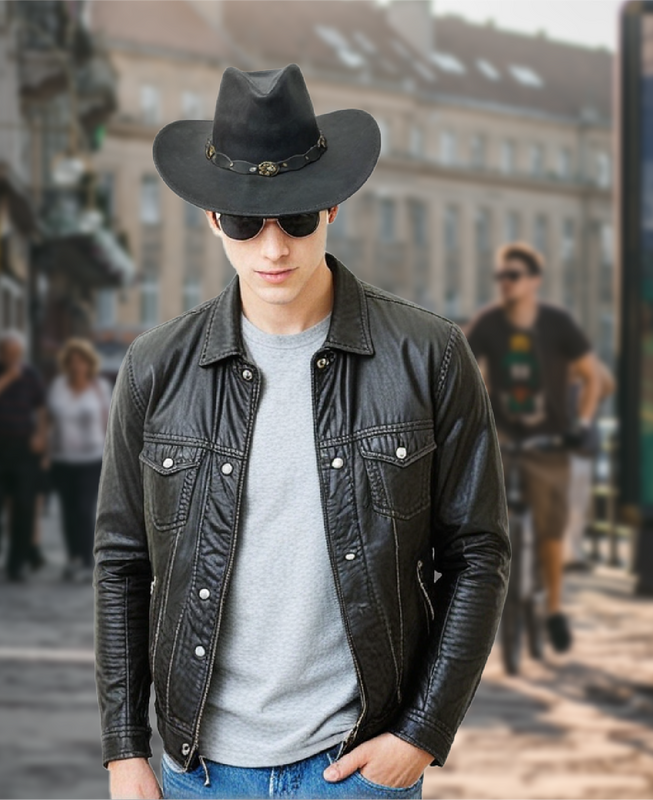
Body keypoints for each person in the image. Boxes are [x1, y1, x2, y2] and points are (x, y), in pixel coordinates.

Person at [94, 64, 510, 800]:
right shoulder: (157, 367)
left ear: (333, 208)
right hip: (199, 774)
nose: (274, 247)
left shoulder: (428, 355)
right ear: (214, 218)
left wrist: (422, 734)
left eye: (298, 216)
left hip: (355, 769)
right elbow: (122, 563)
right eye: (248, 222)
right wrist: (124, 750)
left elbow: (477, 555)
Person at [464, 242, 602, 653]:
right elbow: (461, 372)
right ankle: (487, 616)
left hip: (550, 443)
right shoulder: (488, 324)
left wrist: (583, 423)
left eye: (514, 277)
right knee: (484, 533)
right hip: (501, 444)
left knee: (550, 532)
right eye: (501, 277)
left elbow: (591, 378)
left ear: (533, 281)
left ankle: (555, 609)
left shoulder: (558, 325)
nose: (506, 284)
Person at [0, 330, 47, 582]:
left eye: (17, 354)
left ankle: (17, 563)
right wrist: (6, 377)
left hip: (23, 448)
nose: (13, 358)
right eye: (8, 353)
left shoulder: (31, 375)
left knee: (24, 507)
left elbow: (41, 409)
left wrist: (40, 436)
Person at [47, 338, 111, 582]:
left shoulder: (100, 388)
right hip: (62, 459)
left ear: (89, 364)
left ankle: (86, 560)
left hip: (91, 458)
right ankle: (72, 557)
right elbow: (49, 419)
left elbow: (109, 423)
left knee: (84, 510)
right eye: (72, 361)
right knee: (68, 511)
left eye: (81, 361)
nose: (76, 366)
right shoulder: (58, 387)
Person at [563, 357, 616, 570]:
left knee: (578, 510)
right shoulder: (560, 381)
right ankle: (565, 556)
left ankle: (571, 556)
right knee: (566, 510)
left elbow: (610, 384)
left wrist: (590, 360)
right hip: (565, 455)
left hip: (584, 454)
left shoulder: (589, 385)